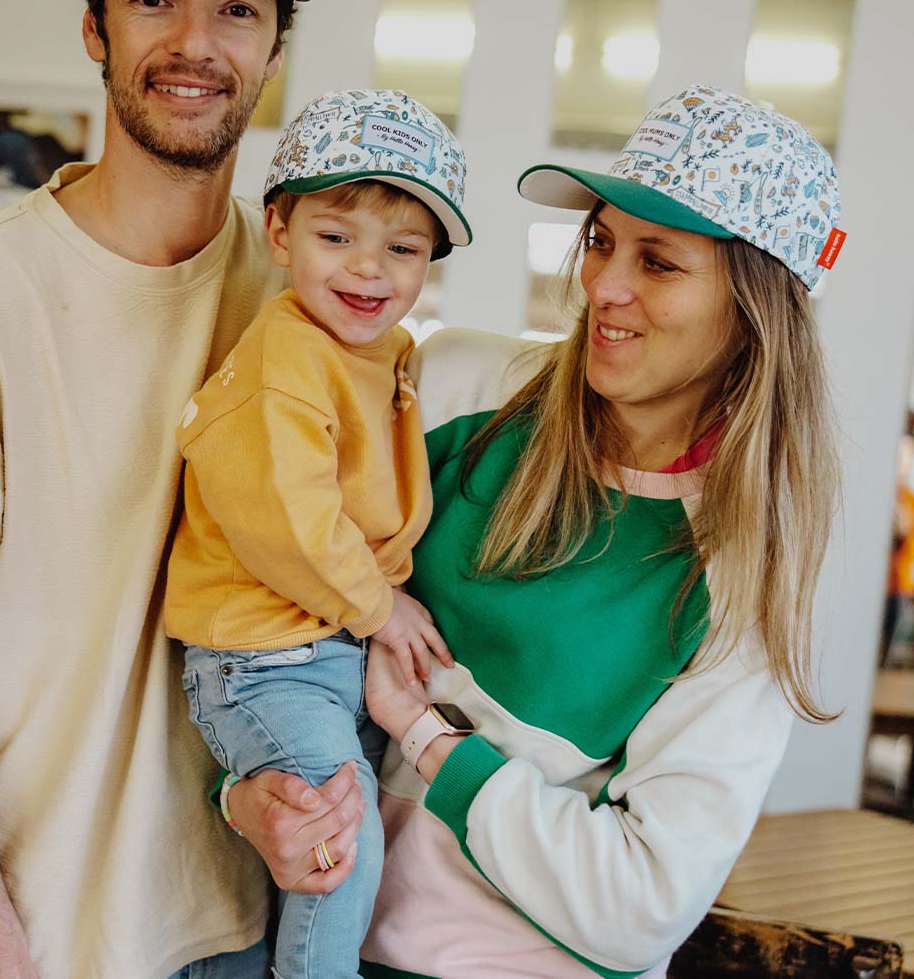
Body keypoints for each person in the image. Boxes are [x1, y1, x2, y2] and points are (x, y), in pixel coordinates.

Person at [0, 0, 362, 979]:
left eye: (239, 10)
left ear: (275, 52)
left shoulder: (305, 302)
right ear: (97, 29)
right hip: (19, 927)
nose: (195, 44)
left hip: (231, 920)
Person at [349, 84, 843, 978]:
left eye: (659, 262)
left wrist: (426, 737)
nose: (601, 286)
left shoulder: (738, 576)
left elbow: (639, 909)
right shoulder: (456, 389)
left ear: (752, 310)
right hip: (311, 943)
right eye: (603, 241)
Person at [167, 88, 471, 979]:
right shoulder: (286, 359)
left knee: (313, 850)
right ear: (280, 233)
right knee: (341, 842)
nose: (369, 270)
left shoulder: (382, 350)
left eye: (403, 248)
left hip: (324, 647)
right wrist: (379, 607)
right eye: (337, 237)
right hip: (265, 656)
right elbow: (287, 522)